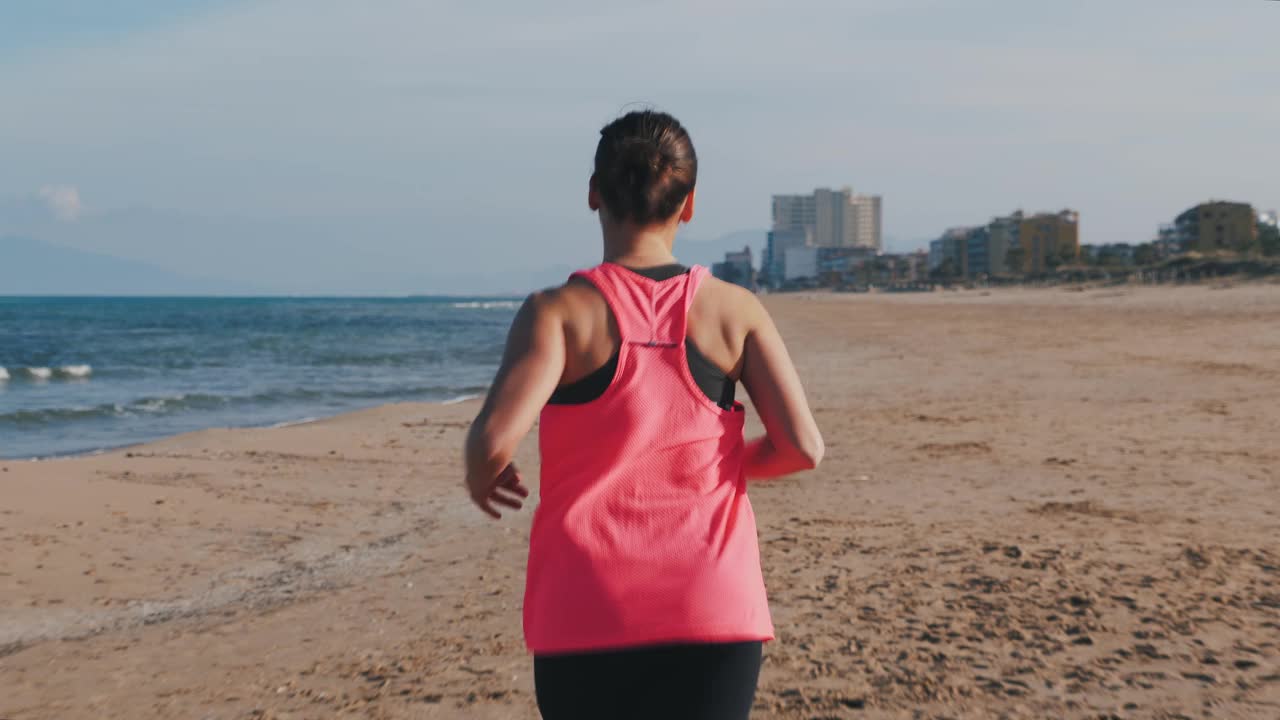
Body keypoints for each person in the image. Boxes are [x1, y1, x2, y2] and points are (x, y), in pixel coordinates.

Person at [464, 109, 824, 720]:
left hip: (586, 607)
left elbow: (494, 441)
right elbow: (802, 448)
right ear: (688, 205)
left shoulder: (557, 313)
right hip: (711, 604)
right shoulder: (735, 310)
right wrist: (717, 465)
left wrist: (481, 474)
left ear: (593, 193)